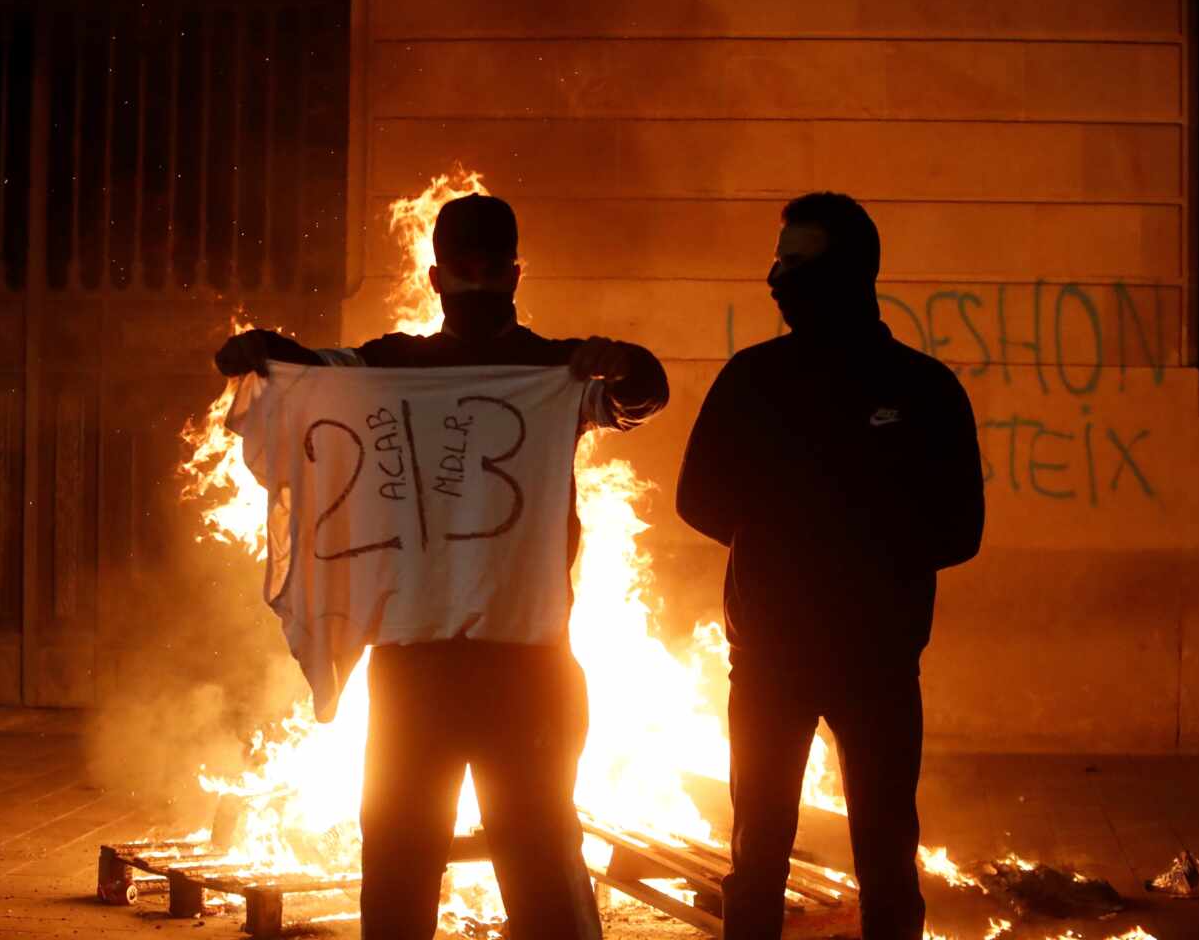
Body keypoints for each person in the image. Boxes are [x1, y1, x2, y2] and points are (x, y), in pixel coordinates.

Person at [215, 193, 669, 940]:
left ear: (517, 274)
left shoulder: (555, 371)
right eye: (466, 268)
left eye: (495, 268)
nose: (480, 282)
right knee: (398, 860)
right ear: (435, 277)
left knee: (542, 860)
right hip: (414, 661)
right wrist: (257, 350)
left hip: (525, 664)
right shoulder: (391, 367)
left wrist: (622, 362)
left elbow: (641, 396)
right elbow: (313, 373)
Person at [675, 192, 984, 940]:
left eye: (796, 261)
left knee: (885, 861)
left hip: (877, 665)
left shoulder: (922, 388)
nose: (776, 277)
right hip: (769, 664)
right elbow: (698, 497)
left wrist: (855, 552)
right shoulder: (753, 381)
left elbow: (960, 525)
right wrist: (783, 550)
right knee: (757, 862)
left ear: (848, 272)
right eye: (777, 261)